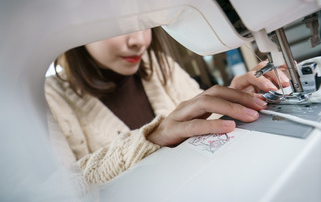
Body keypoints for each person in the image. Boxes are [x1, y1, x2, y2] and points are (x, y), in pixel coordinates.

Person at [45, 26, 290, 185]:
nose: (140, 41)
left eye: (144, 22)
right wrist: (152, 139)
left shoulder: (157, 65)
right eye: (118, 26)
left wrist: (231, 98)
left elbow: (197, 123)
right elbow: (57, 192)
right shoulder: (48, 100)